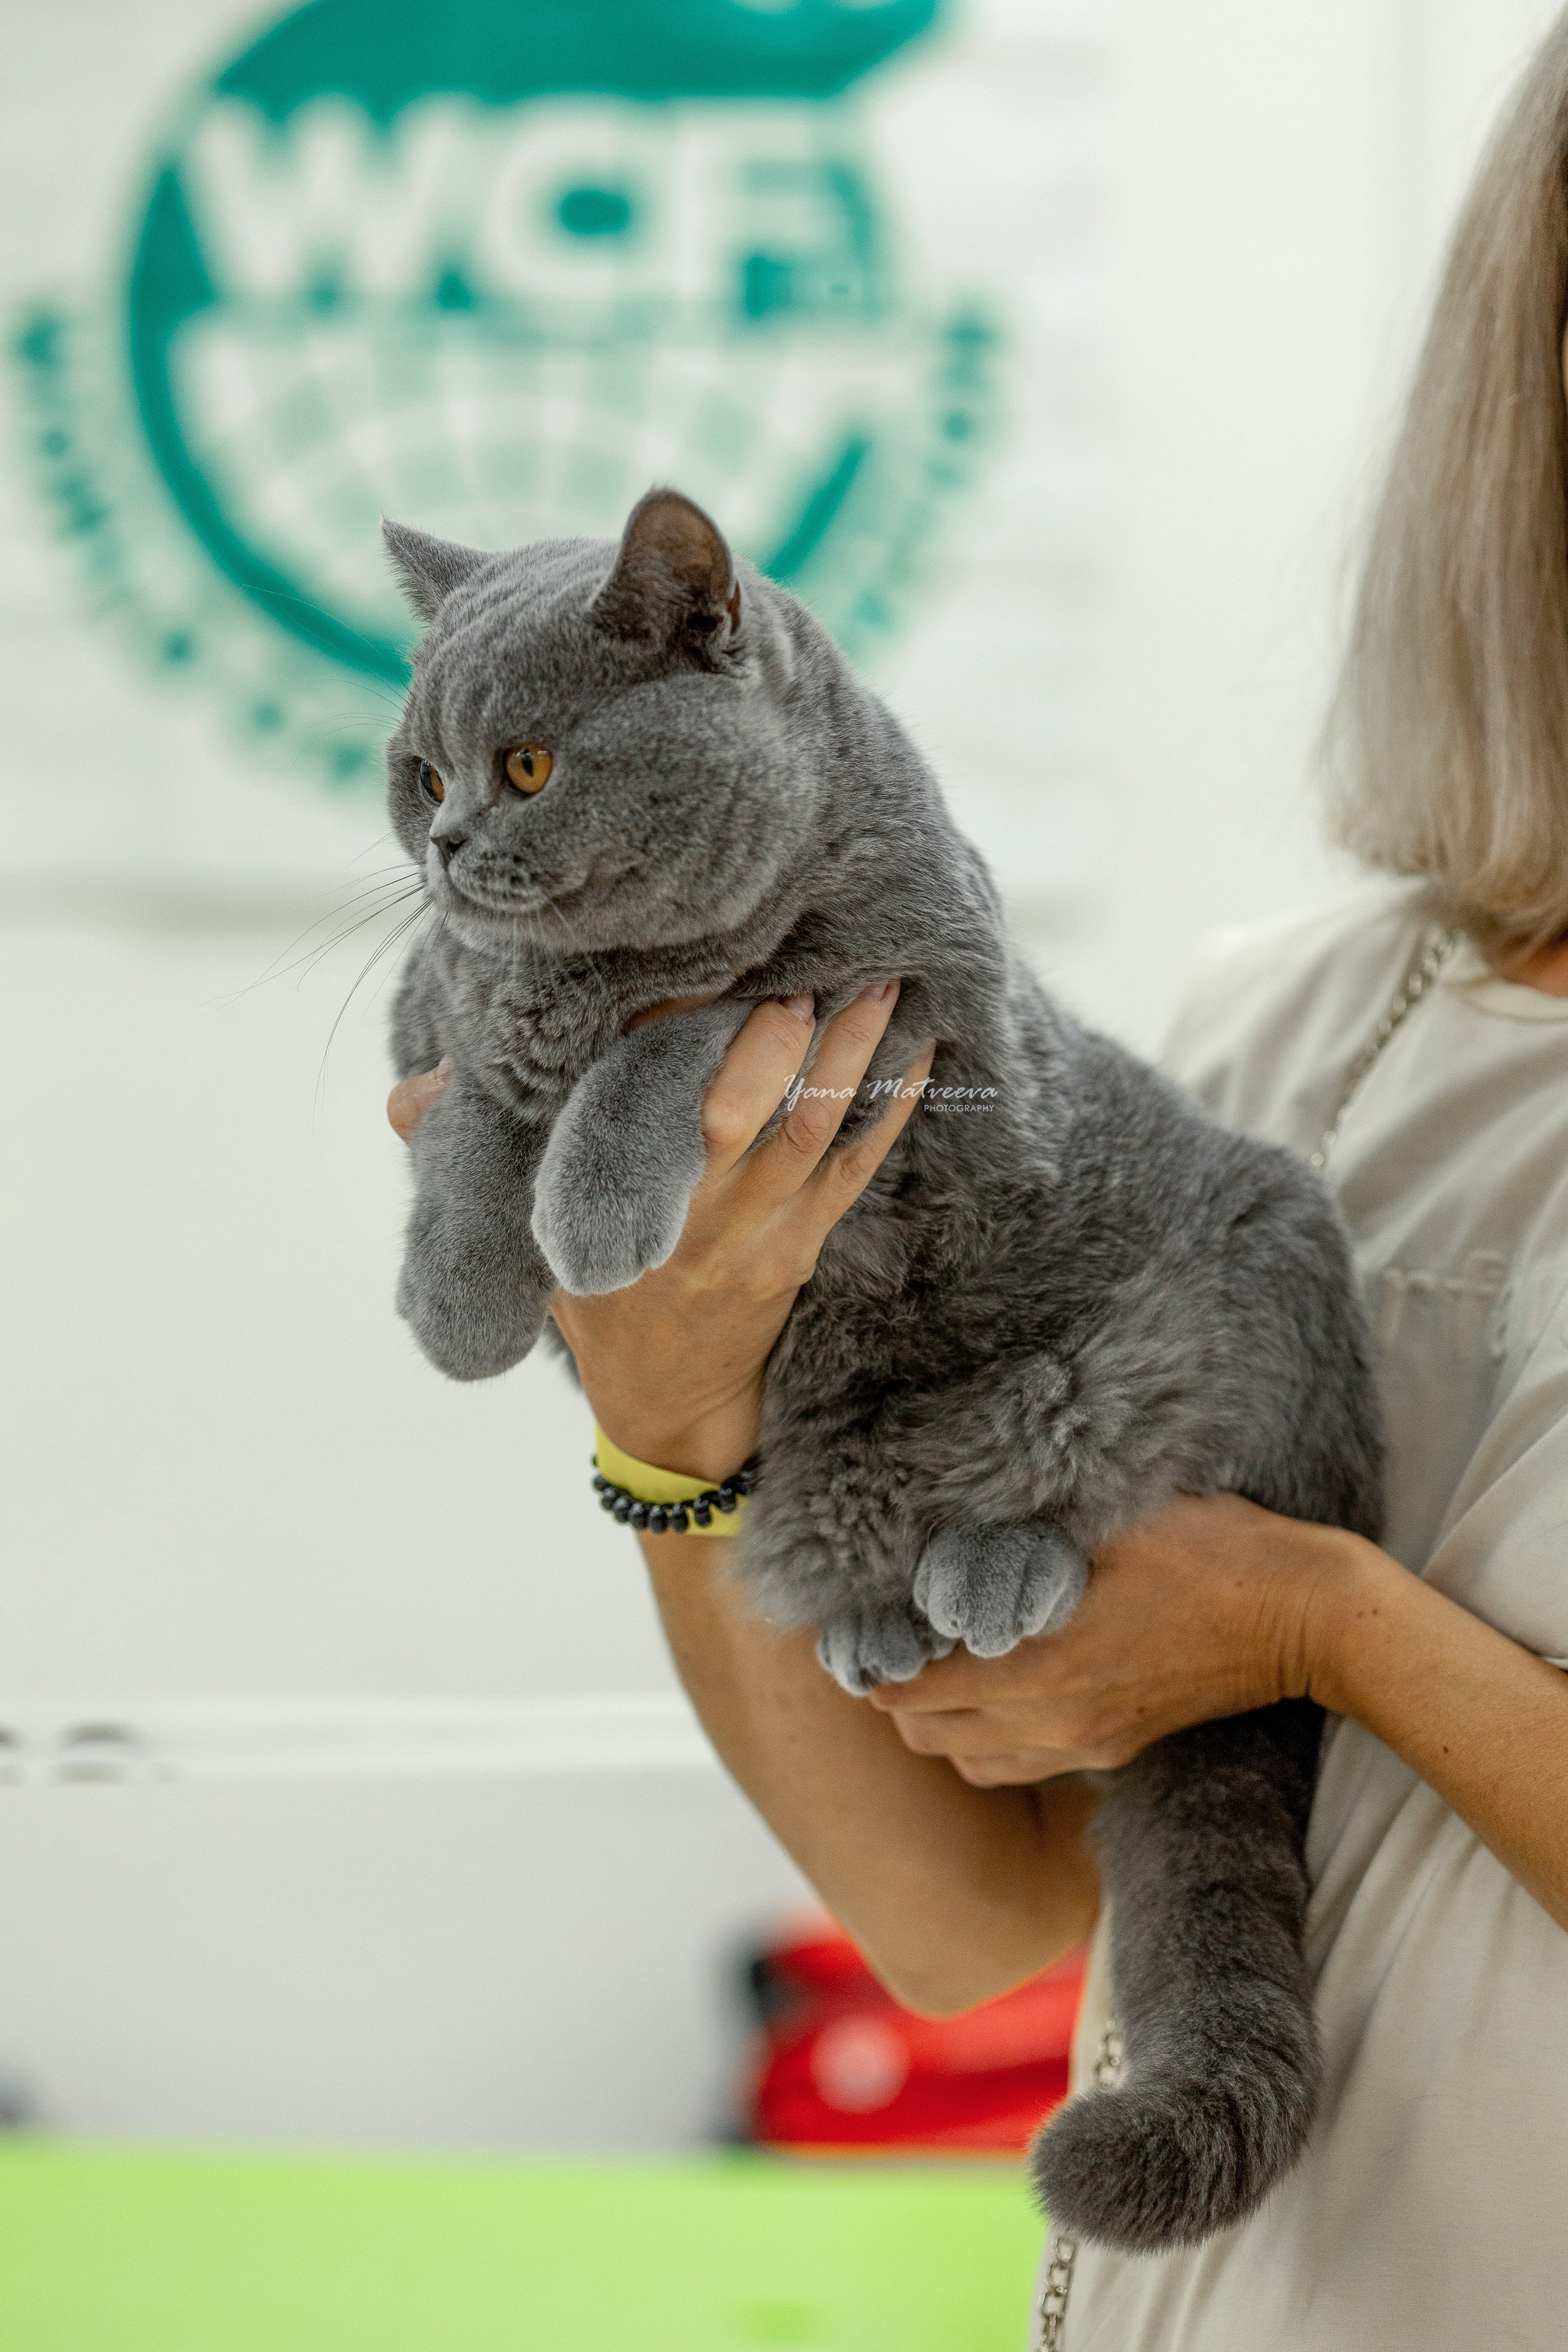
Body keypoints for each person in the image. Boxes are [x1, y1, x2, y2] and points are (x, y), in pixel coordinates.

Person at [388, 20, 1568, 2344]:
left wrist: (1325, 1625)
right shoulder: (1295, 1030)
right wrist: (671, 1420)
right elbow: (969, 1916)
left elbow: (1270, 1622)